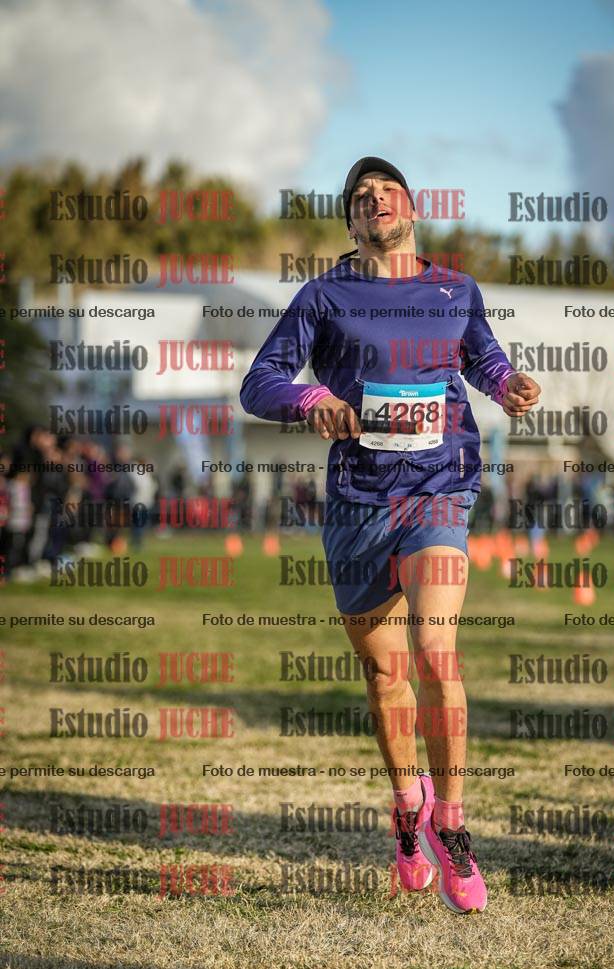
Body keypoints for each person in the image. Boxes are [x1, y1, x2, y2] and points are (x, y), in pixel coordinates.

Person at [240, 156, 540, 913]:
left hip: (439, 488)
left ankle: (452, 823)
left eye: (388, 191)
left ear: (412, 209)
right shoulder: (322, 295)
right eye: (362, 196)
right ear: (351, 221)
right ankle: (408, 806)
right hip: (358, 501)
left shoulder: (455, 290)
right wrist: (311, 399)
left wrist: (508, 385)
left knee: (437, 653)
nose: (376, 200)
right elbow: (259, 381)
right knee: (385, 675)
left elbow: (484, 357)